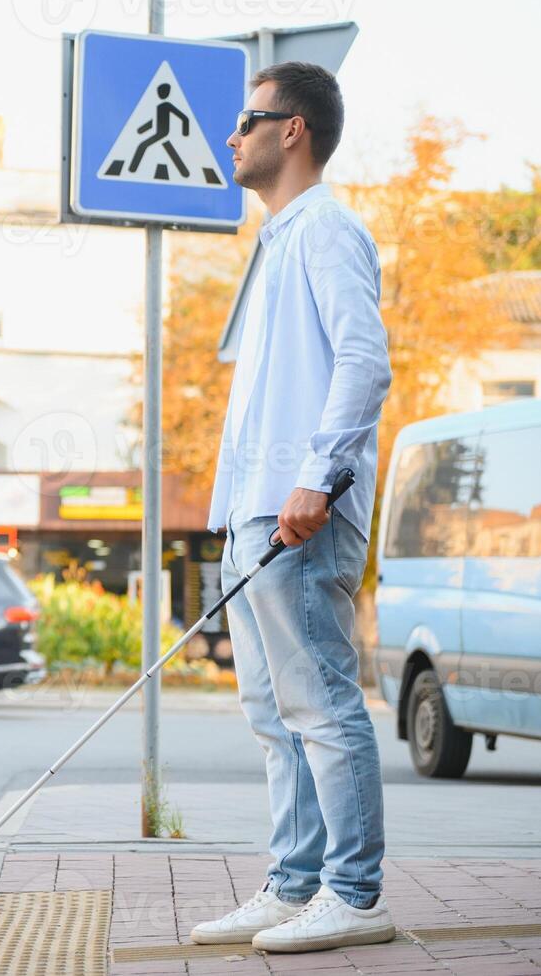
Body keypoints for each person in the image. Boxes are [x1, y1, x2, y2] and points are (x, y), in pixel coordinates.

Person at [188, 61, 394, 954]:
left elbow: (362, 362)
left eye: (246, 120)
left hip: (301, 512)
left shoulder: (327, 231)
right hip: (253, 515)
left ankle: (353, 893)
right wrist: (229, 510)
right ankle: (292, 884)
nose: (231, 137)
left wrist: (313, 478)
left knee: (323, 707)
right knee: (274, 716)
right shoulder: (275, 242)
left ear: (292, 129)